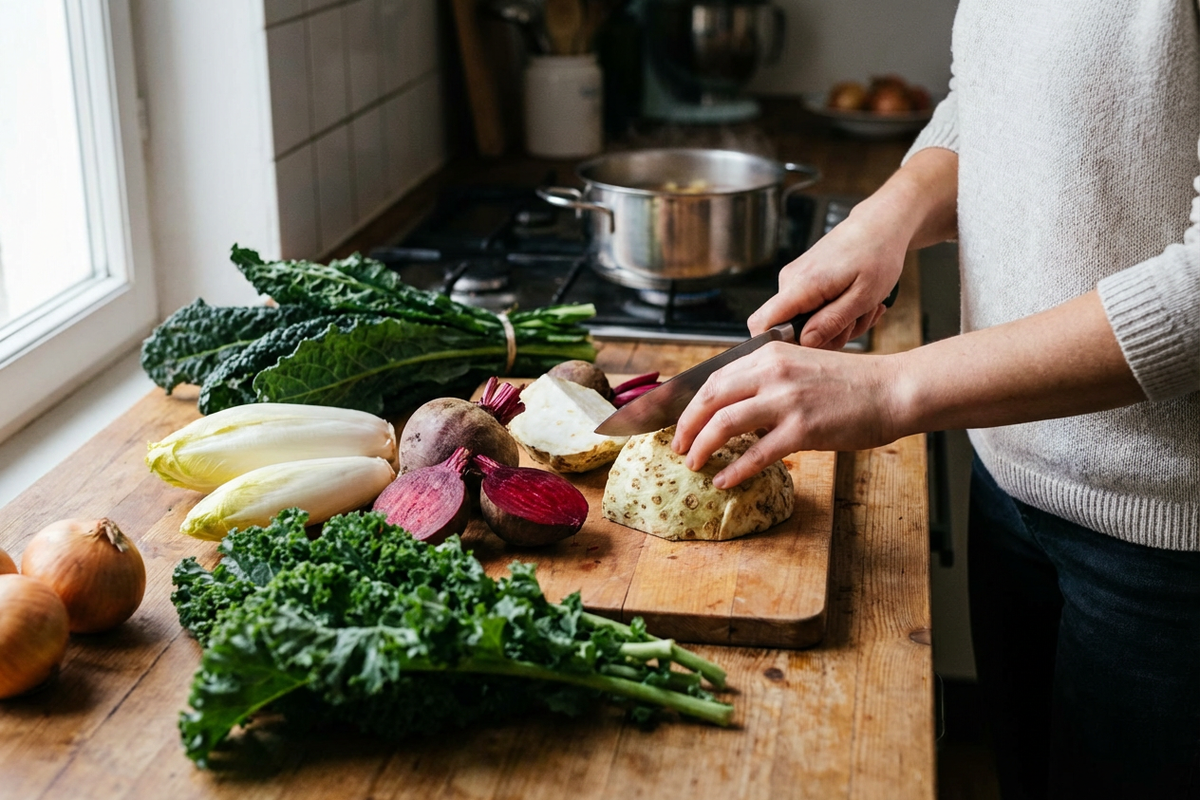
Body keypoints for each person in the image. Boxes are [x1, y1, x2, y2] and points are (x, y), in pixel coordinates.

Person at [670, 2, 1200, 798]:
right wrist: (888, 216)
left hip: (1167, 550)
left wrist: (892, 387)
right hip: (1011, 481)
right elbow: (993, 94)